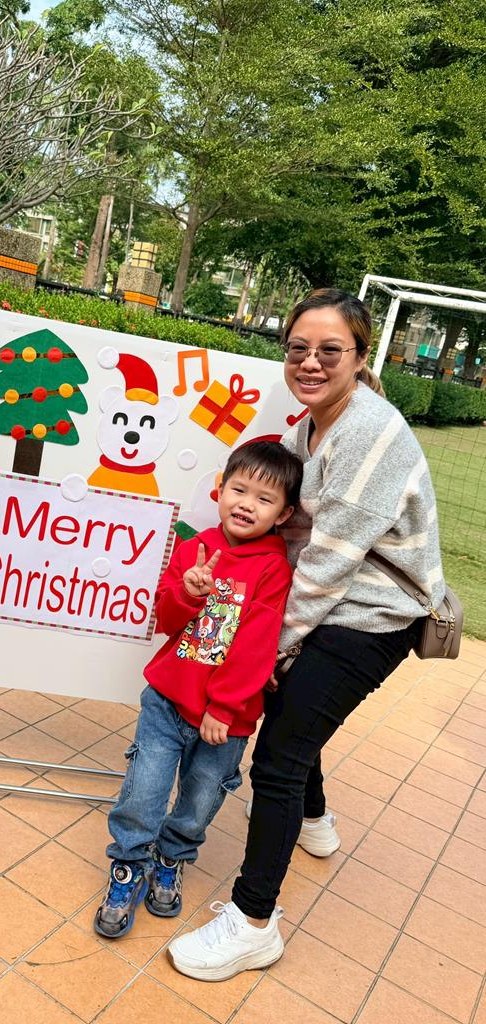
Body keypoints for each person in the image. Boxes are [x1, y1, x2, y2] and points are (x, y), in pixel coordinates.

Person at [168, 288, 445, 981]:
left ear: (360, 356)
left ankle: (252, 922)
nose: (310, 362)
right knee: (294, 713)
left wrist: (271, 649)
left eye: (329, 350)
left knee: (279, 755)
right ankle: (314, 819)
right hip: (328, 598)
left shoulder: (369, 431)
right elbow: (288, 530)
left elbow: (326, 563)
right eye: (298, 348)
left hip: (373, 614)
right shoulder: (308, 429)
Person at [94, 441, 303, 938]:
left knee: (201, 799)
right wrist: (187, 592)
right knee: (144, 789)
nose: (246, 504)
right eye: (239, 490)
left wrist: (224, 706)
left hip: (226, 719)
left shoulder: (274, 568)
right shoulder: (196, 548)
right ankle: (128, 864)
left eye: (264, 499)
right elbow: (166, 620)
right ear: (220, 489)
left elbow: (257, 643)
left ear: (284, 514)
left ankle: (171, 857)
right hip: (167, 701)